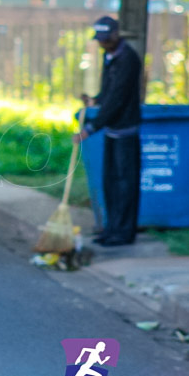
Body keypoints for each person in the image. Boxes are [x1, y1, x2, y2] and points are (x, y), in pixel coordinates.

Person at [75, 16, 142, 247]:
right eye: (100, 41)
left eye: (106, 39)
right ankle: (111, 228)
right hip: (113, 130)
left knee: (125, 184)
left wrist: (91, 128)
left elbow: (118, 98)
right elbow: (108, 92)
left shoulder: (128, 59)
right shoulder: (110, 57)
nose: (103, 44)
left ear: (116, 34)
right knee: (111, 182)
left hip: (125, 130)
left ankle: (123, 233)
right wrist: (95, 100)